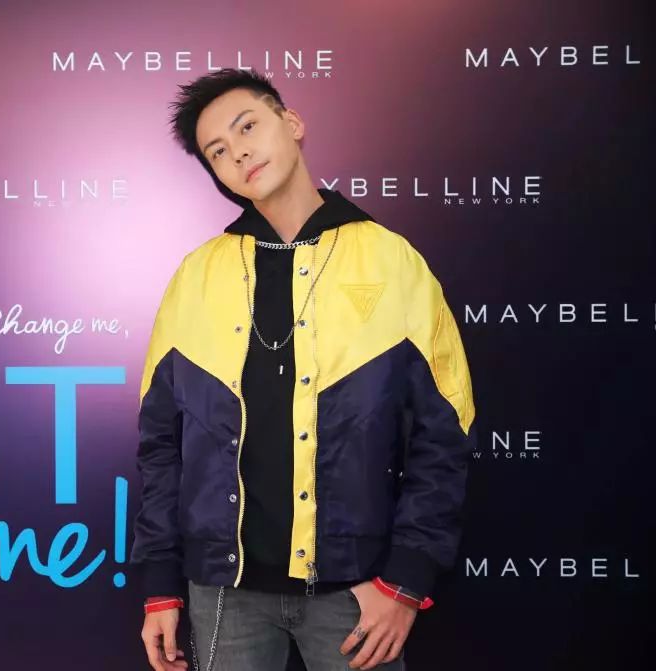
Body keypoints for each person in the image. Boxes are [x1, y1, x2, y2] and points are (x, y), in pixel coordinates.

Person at [130, 68, 477, 671]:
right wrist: (161, 583)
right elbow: (161, 444)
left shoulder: (392, 261)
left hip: (355, 590)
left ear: (291, 123)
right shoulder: (196, 276)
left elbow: (445, 431)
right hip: (224, 594)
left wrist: (405, 579)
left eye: (247, 127)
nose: (238, 152)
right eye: (218, 151)